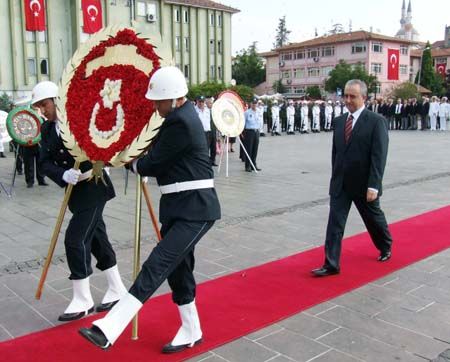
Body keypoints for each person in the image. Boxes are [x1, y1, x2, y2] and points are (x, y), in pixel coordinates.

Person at [79, 66, 221, 354]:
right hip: (178, 207)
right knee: (178, 270)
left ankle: (110, 327)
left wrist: (129, 162)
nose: (154, 105)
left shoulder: (180, 121)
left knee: (158, 263)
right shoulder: (179, 116)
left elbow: (152, 163)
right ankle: (191, 329)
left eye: (158, 100)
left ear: (172, 98)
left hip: (195, 209)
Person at [34, 80, 127, 321]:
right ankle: (117, 289)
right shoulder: (46, 130)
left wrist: (95, 160)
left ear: (56, 100)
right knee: (97, 239)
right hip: (74, 191)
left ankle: (82, 298)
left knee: (75, 239)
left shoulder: (79, 120)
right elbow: (43, 163)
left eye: (44, 104)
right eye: (39, 107)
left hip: (94, 186)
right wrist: (62, 174)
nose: (42, 110)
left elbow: (102, 145)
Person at [311, 79, 393, 277]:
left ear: (364, 97)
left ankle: (385, 245)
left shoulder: (376, 121)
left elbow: (378, 156)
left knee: (373, 219)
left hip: (364, 184)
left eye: (352, 96)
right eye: (345, 95)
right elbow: (336, 154)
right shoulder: (340, 122)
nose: (347, 100)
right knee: (335, 223)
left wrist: (374, 185)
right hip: (341, 184)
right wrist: (334, 179)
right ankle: (331, 263)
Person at [195, 96, 217, 166]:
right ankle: (204, 162)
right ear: (197, 102)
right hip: (201, 132)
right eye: (200, 102)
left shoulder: (208, 110)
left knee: (213, 147)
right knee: (205, 149)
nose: (201, 103)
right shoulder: (194, 110)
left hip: (209, 131)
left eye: (202, 101)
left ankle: (212, 161)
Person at [243, 98, 262, 172]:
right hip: (249, 132)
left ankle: (253, 164)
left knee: (255, 149)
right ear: (250, 104)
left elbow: (259, 122)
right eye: (253, 103)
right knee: (249, 149)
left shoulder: (258, 112)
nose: (254, 105)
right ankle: (247, 166)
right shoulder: (246, 113)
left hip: (256, 131)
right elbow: (243, 123)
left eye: (255, 103)